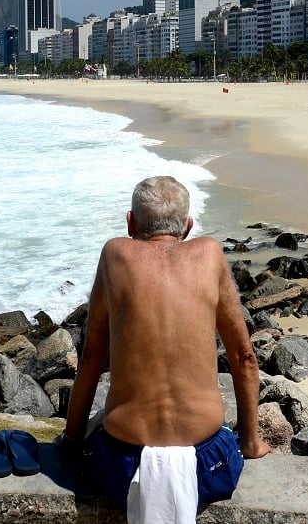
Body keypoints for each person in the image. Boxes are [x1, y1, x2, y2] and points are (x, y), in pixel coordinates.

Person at [58, 176, 271, 521]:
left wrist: (70, 441)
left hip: (124, 465)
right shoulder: (210, 253)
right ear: (188, 226)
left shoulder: (115, 254)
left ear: (130, 222)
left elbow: (92, 357)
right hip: (206, 465)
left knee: (98, 433)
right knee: (226, 437)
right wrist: (250, 442)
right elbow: (244, 358)